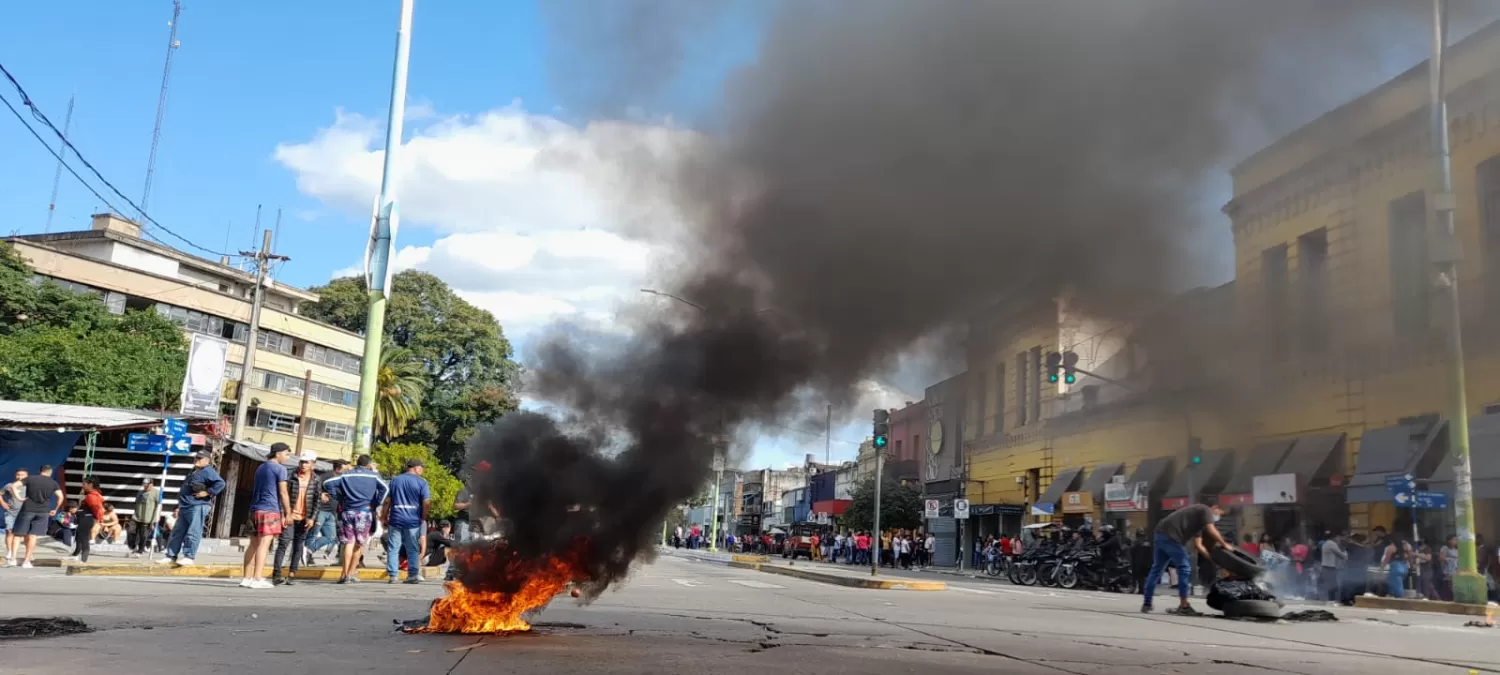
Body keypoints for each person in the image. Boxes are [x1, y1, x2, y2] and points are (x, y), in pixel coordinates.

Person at [1141, 502, 1228, 615]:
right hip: (1171, 537)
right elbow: (1211, 530)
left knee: (1156, 570)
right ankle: (1184, 606)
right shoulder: (1205, 509)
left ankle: (1147, 604)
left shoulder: (1198, 523)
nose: (1217, 517)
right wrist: (1225, 544)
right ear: (1215, 507)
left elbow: (1199, 545)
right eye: (1219, 513)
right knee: (1184, 568)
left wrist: (1212, 560)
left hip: (1160, 535)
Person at [327, 454, 388, 584]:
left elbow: (328, 483)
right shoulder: (373, 475)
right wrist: (376, 503)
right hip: (364, 512)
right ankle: (351, 573)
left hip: (348, 511)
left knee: (349, 543)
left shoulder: (346, 474)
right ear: (368, 464)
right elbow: (385, 488)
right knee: (359, 544)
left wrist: (339, 498)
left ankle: (344, 574)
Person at [159, 451, 225, 566]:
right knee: (177, 532)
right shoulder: (193, 470)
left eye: (200, 458)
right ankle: (171, 556)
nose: (196, 460)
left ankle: (189, 556)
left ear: (207, 461)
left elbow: (221, 483)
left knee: (193, 531)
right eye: (196, 458)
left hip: (197, 505)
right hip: (185, 505)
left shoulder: (208, 471)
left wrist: (208, 492)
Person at [240, 443, 291, 589]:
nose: (287, 457)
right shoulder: (280, 469)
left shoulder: (261, 467)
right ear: (278, 453)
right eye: (286, 454)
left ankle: (246, 578)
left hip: (255, 509)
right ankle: (257, 578)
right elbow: (283, 492)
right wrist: (287, 512)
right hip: (270, 510)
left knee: (253, 544)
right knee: (264, 545)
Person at [272, 452, 321, 585]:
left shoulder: (316, 479)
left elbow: (317, 501)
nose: (303, 465)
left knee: (298, 546)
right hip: (290, 516)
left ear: (312, 464)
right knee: (283, 543)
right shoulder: (291, 476)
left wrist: (312, 518)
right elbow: (282, 496)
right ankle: (276, 574)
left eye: (307, 462)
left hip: (305, 518)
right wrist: (283, 514)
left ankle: (292, 573)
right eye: (302, 462)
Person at [383, 458, 431, 584]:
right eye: (422, 467)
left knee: (393, 547)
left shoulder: (395, 480)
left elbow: (387, 501)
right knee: (413, 548)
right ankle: (412, 575)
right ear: (416, 468)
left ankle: (393, 575)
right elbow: (426, 503)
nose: (422, 470)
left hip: (396, 519)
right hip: (413, 521)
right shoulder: (422, 482)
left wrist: (383, 516)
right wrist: (423, 517)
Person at [9, 465, 63, 569]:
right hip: (43, 512)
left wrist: (19, 497)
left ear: (40, 471)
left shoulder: (31, 478)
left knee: (18, 534)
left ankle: (13, 559)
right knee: (33, 536)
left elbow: (14, 486)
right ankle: (26, 561)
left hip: (27, 509)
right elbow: (60, 497)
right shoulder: (53, 483)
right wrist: (55, 509)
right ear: (50, 473)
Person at [305, 459, 346, 565]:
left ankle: (309, 550)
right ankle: (308, 556)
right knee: (313, 534)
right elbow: (313, 486)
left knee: (331, 536)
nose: (345, 472)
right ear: (337, 469)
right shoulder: (325, 476)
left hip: (332, 512)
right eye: (344, 469)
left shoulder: (342, 479)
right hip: (321, 510)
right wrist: (320, 494)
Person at [71, 477, 105, 563]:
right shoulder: (92, 494)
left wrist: (99, 520)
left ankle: (83, 560)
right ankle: (75, 555)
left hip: (86, 519)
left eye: (84, 484)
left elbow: (98, 509)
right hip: (85, 518)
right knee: (79, 537)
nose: (82, 486)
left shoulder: (92, 496)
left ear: (90, 485)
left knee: (84, 539)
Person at [2, 468, 28, 565]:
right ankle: (9, 551)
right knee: (9, 532)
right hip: (11, 513)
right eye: (18, 474)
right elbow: (0, 494)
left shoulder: (29, 486)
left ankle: (28, 553)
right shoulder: (9, 486)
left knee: (26, 535)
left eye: (22, 475)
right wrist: (3, 503)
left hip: (25, 513)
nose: (20, 477)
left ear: (27, 476)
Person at [130, 478, 160, 557]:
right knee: (131, 531)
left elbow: (157, 507)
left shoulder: (156, 493)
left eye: (147, 485)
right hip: (137, 517)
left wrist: (153, 521)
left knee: (143, 535)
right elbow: (136, 504)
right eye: (144, 485)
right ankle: (133, 546)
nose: (145, 486)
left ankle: (140, 550)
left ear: (151, 484)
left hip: (147, 518)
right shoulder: (140, 492)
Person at [1319, 531, 1348, 602]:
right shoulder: (1331, 544)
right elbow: (1341, 555)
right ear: (1334, 537)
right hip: (1330, 568)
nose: (1339, 539)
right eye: (1338, 537)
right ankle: (1331, 600)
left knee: (1330, 585)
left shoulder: (1325, 543)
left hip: (1325, 567)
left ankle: (1329, 600)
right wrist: (1346, 555)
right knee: (1333, 585)